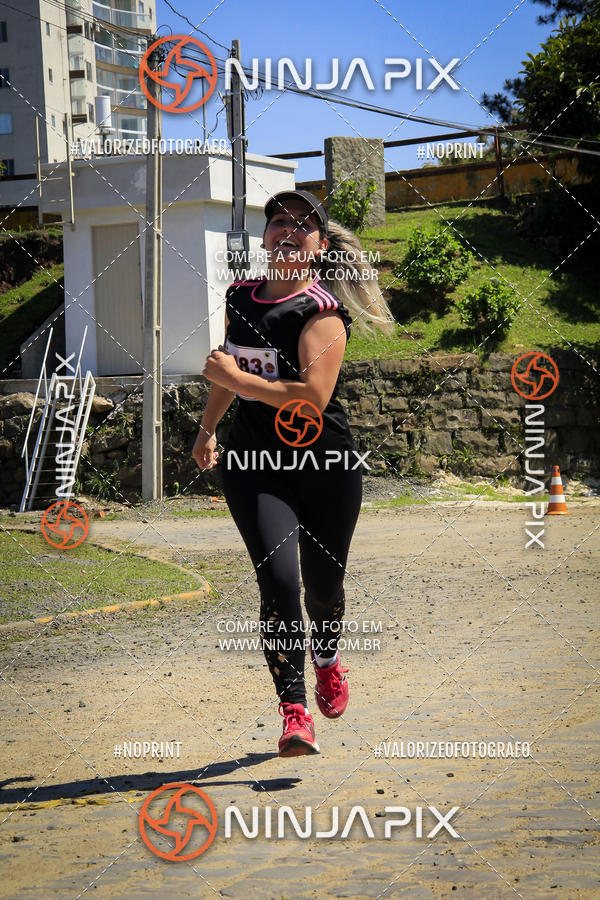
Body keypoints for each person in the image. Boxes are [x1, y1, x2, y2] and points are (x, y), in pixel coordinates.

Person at [192, 190, 392, 757]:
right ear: (263, 238)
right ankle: (295, 712)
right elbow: (228, 372)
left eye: (302, 225)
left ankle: (327, 659)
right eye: (278, 220)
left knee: (323, 590)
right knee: (279, 582)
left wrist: (235, 377)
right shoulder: (240, 297)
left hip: (325, 465)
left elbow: (309, 396)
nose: (287, 229)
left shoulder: (322, 312)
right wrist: (208, 428)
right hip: (255, 465)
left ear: (319, 245)